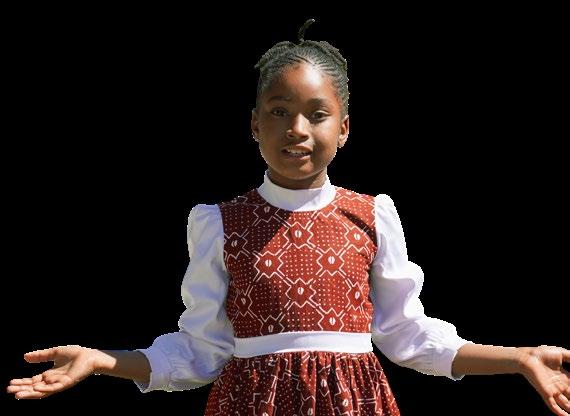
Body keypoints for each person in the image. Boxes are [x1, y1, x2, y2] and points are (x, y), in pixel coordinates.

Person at [7, 18, 570, 416]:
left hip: (357, 405)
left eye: (316, 114)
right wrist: (103, 360)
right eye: (279, 112)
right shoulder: (220, 223)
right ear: (255, 124)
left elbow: (407, 336)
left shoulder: (371, 215)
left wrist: (518, 358)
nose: (296, 129)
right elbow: (200, 352)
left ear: (343, 128)